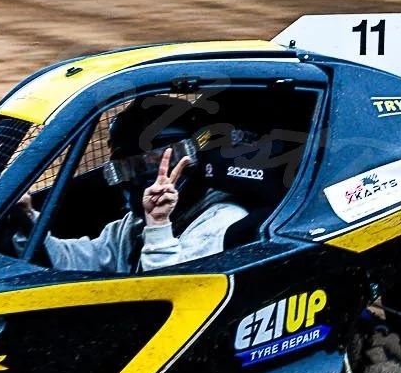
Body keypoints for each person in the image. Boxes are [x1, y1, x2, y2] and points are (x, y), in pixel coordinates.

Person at [37, 109, 250, 273]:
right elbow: (81, 261)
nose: (150, 177)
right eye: (131, 167)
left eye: (161, 162)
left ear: (191, 161)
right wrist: (29, 224)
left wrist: (158, 225)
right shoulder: (132, 225)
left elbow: (169, 292)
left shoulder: (221, 222)